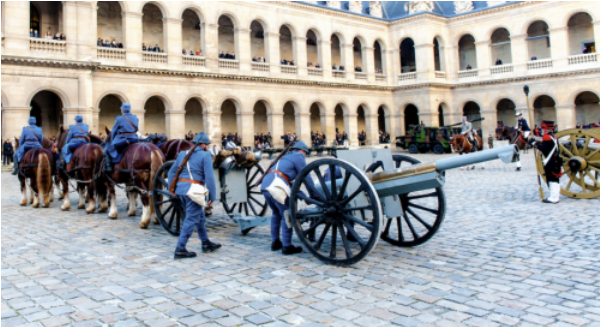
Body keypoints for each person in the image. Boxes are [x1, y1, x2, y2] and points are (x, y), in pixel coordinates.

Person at [168, 132, 221, 258]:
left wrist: (171, 189)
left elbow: (171, 171)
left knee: (200, 216)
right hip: (194, 191)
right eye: (207, 145)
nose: (207, 147)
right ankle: (180, 248)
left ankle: (206, 243)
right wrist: (212, 196)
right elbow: (209, 178)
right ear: (203, 145)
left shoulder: (182, 154)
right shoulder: (205, 155)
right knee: (191, 219)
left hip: (181, 190)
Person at [260, 140, 314, 255]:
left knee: (276, 214)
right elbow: (306, 176)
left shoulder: (286, 157)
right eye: (305, 153)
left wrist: (304, 197)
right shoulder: (299, 156)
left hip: (266, 185)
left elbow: (290, 184)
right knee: (286, 214)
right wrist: (314, 194)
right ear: (301, 151)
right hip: (277, 186)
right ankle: (287, 246)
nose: (305, 156)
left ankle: (275, 242)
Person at [103, 103, 139, 172]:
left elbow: (113, 131)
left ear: (122, 110)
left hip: (122, 139)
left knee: (106, 149)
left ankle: (108, 167)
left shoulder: (119, 119)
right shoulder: (135, 118)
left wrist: (111, 140)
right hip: (134, 139)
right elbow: (137, 129)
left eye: (121, 109)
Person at [536, 120, 562, 204]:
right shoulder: (554, 137)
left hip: (550, 161)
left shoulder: (546, 137)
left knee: (552, 179)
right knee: (556, 179)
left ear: (546, 129)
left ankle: (554, 198)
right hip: (556, 161)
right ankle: (555, 196)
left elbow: (544, 149)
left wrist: (534, 144)